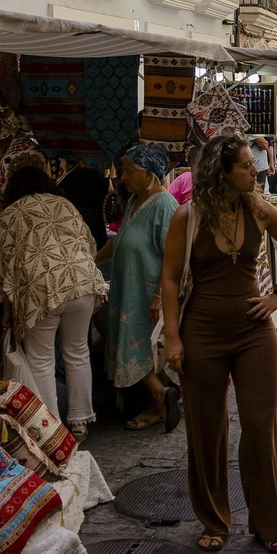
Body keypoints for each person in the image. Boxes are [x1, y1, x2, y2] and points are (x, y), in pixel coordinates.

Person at [159, 134, 277, 554]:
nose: (255, 170)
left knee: (260, 427)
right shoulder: (186, 218)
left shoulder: (259, 208)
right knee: (206, 430)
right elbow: (170, 279)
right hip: (201, 333)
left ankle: (267, 522)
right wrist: (173, 337)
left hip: (254, 334)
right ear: (221, 173)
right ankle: (214, 519)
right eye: (245, 165)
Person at [0, 165, 108, 441]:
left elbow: (5, 264)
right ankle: (80, 422)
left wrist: (7, 307)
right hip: (82, 282)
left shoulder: (10, 214)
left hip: (41, 288)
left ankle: (52, 431)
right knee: (78, 352)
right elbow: (89, 244)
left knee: (41, 359)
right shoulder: (65, 205)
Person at [98, 145, 178, 430]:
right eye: (123, 170)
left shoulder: (165, 206)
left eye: (130, 171)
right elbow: (120, 241)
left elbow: (173, 255)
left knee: (142, 347)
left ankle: (159, 399)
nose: (124, 177)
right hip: (130, 291)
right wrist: (89, 259)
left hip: (147, 293)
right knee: (135, 343)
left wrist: (158, 297)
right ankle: (163, 396)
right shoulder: (134, 202)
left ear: (150, 174)